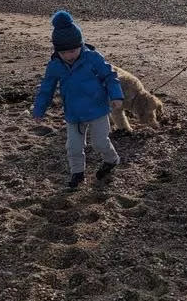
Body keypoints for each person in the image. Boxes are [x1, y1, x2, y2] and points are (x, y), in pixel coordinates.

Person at [32, 11, 124, 189]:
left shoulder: (92, 58)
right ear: (57, 50)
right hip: (73, 114)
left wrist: (116, 95)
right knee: (73, 148)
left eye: (73, 50)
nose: (69, 55)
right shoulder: (55, 65)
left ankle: (112, 160)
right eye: (64, 52)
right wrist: (39, 109)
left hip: (97, 109)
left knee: (100, 142)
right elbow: (46, 88)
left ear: (80, 45)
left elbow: (110, 76)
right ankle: (77, 174)